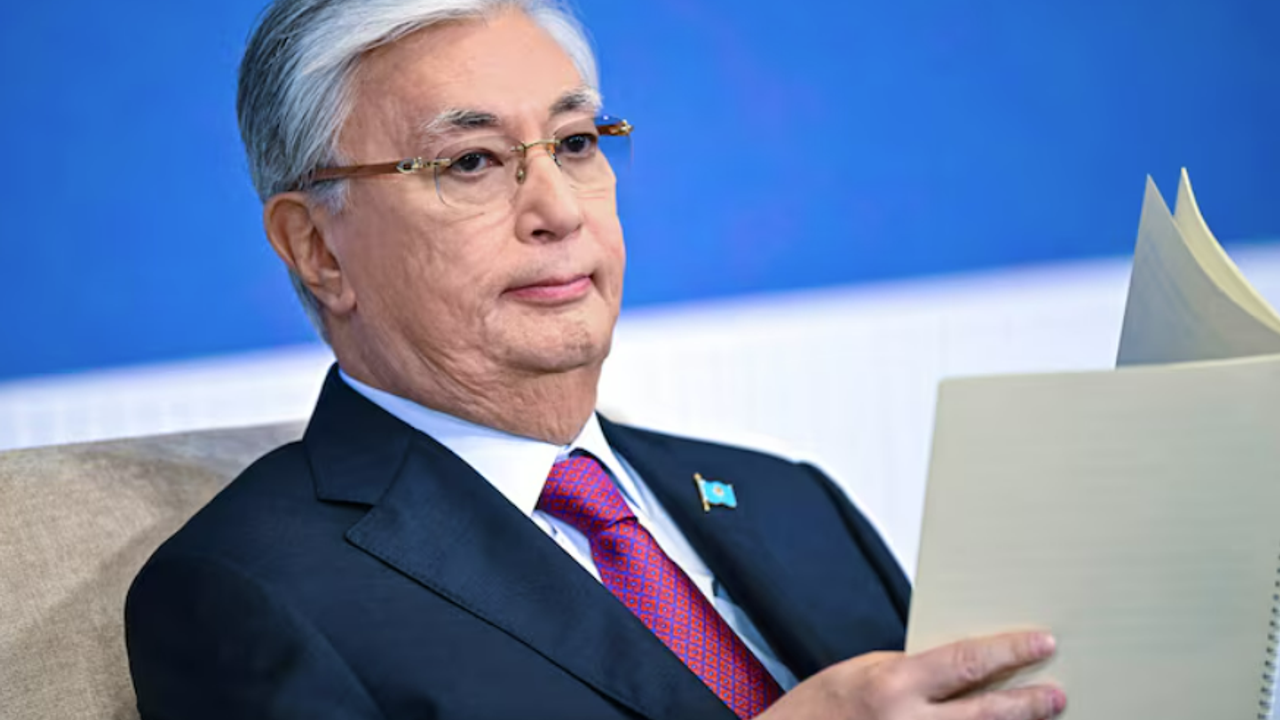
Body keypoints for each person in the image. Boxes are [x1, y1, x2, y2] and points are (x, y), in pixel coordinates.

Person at [124, 1, 1066, 718]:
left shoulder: (789, 499)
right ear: (317, 249)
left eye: (575, 144)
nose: (559, 210)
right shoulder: (246, 592)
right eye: (471, 161)